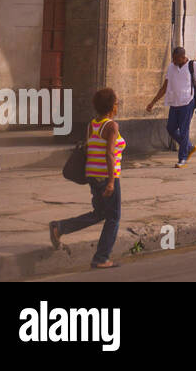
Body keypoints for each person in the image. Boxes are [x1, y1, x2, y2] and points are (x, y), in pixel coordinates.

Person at [49, 87, 124, 268]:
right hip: (106, 177)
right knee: (113, 216)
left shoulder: (92, 125)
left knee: (99, 214)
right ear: (111, 107)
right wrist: (112, 181)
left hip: (92, 176)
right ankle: (101, 257)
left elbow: (91, 149)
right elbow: (109, 154)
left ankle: (60, 227)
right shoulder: (111, 126)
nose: (118, 106)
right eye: (116, 103)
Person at [146, 46, 196, 167]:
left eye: (176, 59)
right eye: (173, 59)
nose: (174, 61)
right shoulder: (171, 67)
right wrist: (153, 102)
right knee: (171, 128)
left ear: (183, 57)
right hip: (174, 102)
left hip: (187, 102)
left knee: (184, 130)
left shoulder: (193, 65)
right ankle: (188, 146)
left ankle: (182, 158)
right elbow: (165, 86)